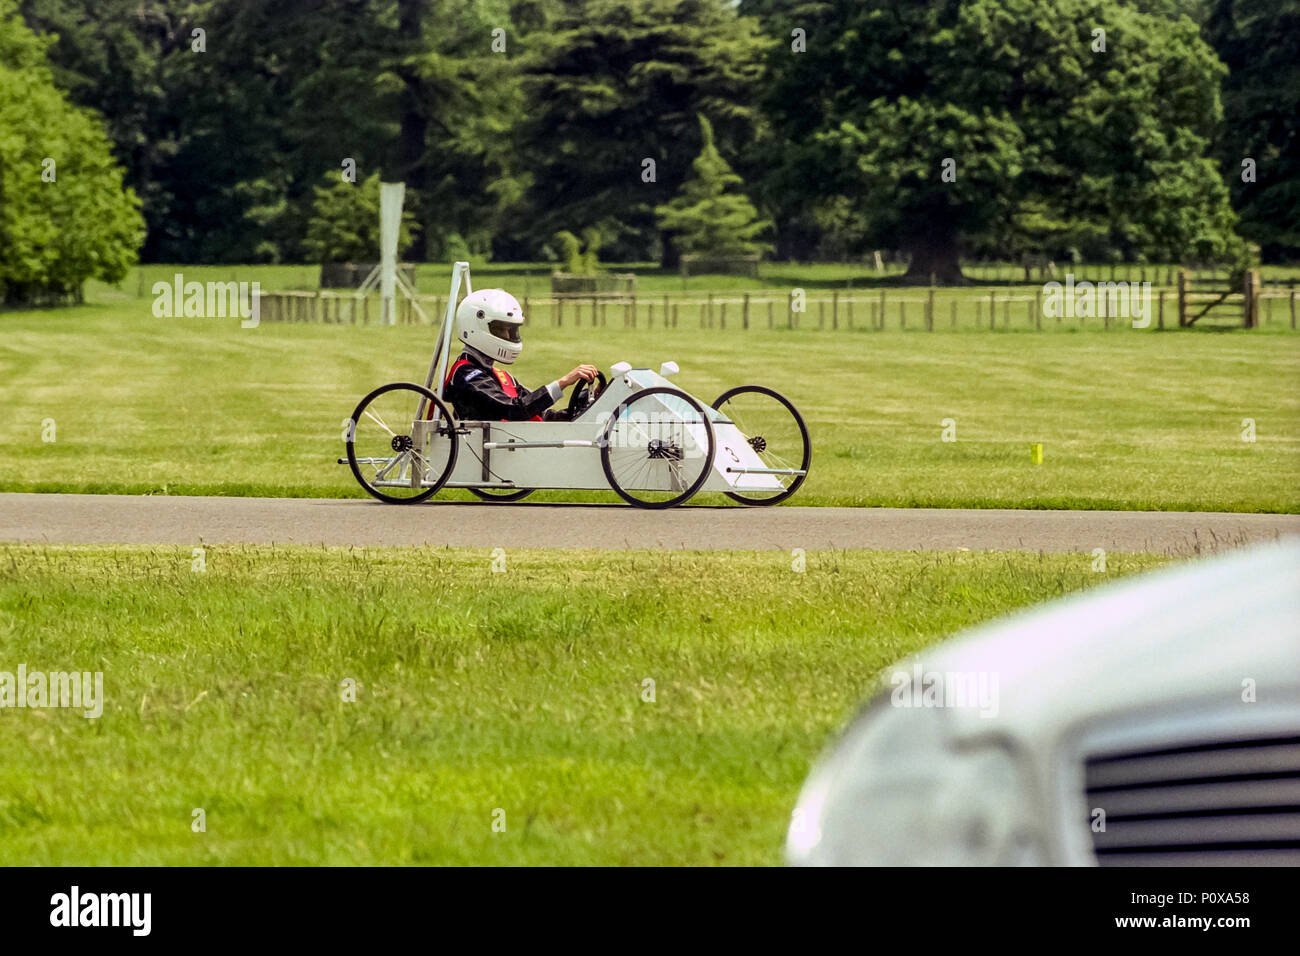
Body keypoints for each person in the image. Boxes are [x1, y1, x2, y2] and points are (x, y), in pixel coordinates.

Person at [442, 289, 598, 422]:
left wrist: (587, 398)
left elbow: (539, 414)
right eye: (503, 329)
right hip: (491, 453)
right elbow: (515, 410)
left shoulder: (500, 376)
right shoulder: (467, 376)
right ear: (477, 327)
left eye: (512, 330)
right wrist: (564, 382)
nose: (509, 336)